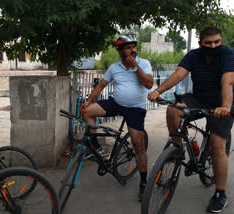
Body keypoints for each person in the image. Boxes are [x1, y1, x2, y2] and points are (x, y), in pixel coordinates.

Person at [148, 27, 234, 213]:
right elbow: (179, 74)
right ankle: (176, 148)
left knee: (218, 147)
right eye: (208, 43)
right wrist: (157, 91)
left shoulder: (228, 55)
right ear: (200, 43)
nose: (213, 46)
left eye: (216, 42)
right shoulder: (194, 56)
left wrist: (226, 107)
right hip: (199, 98)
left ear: (221, 40)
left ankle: (220, 194)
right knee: (173, 108)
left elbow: (227, 81)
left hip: (221, 104)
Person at [80, 34, 153, 201]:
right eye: (128, 47)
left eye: (134, 47)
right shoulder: (114, 67)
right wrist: (88, 101)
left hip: (135, 109)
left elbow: (149, 84)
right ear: (120, 51)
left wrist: (135, 67)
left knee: (138, 144)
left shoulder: (143, 64)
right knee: (86, 111)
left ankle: (143, 182)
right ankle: (96, 146)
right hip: (117, 103)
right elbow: (101, 85)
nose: (133, 50)